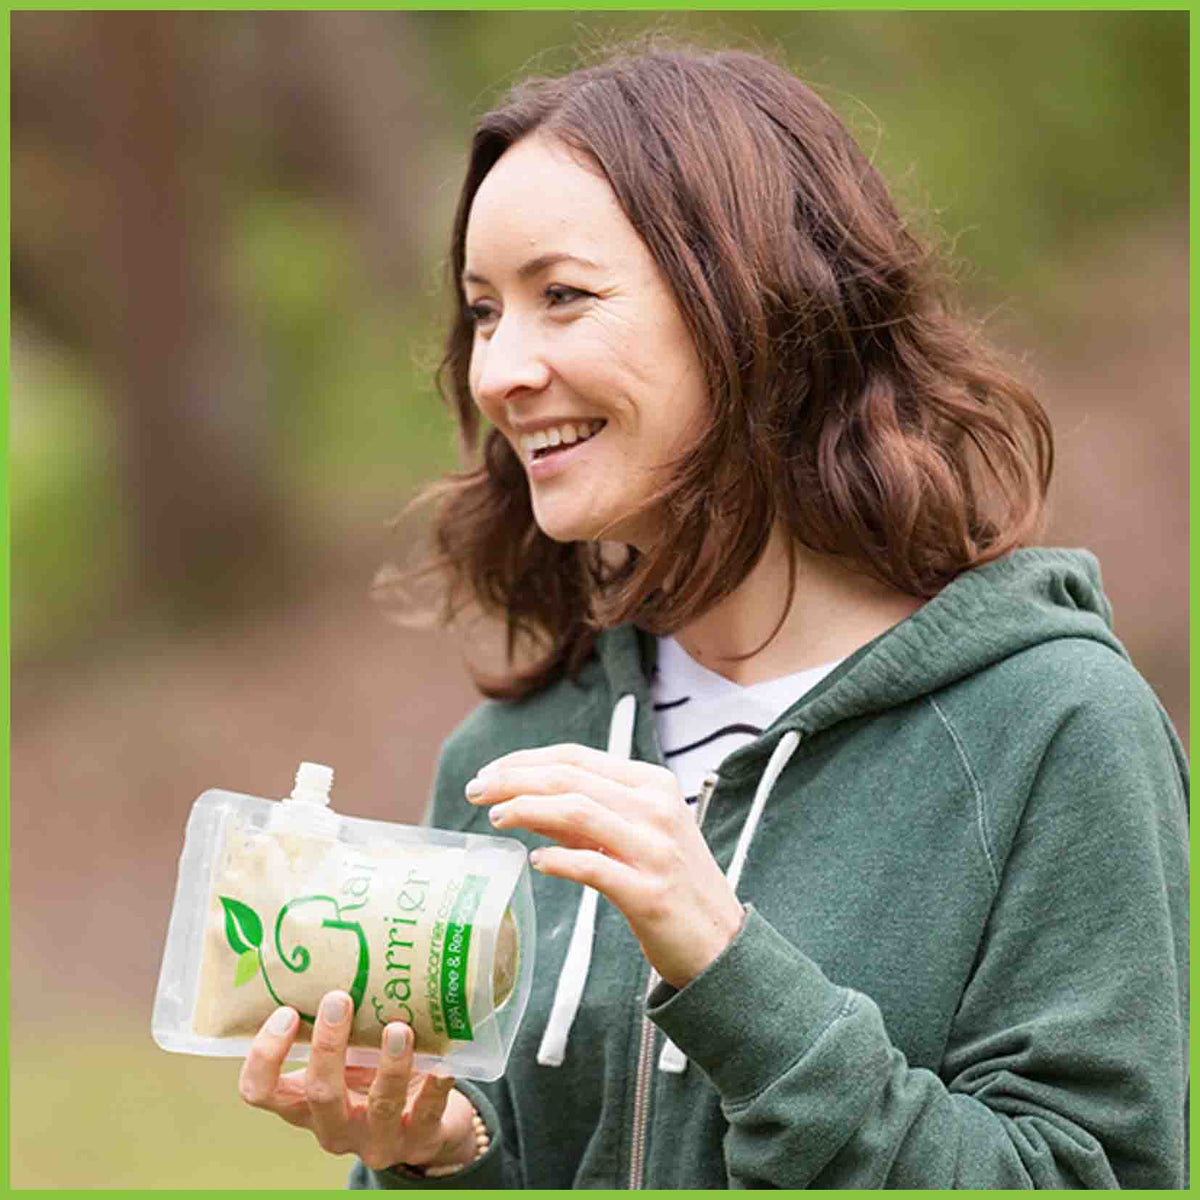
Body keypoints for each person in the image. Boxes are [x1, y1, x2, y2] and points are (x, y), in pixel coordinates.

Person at [235, 43, 1189, 1188]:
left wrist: (732, 974)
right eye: (484, 312)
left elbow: (1086, 1174)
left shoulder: (1053, 728)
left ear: (753, 305)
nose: (498, 370)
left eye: (563, 297)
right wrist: (443, 1156)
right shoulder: (509, 764)